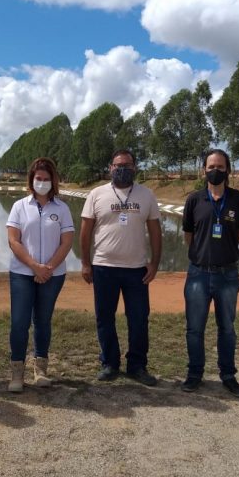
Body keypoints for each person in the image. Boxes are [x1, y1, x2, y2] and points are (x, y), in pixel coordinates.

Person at [80, 149, 162, 386]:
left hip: (137, 269)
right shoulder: (96, 194)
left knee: (138, 318)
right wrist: (86, 262)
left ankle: (137, 365)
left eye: (127, 165)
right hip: (104, 266)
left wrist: (155, 263)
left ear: (135, 167)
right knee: (105, 318)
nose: (122, 169)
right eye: (118, 165)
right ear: (110, 168)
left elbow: (156, 231)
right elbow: (86, 231)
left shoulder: (147, 195)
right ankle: (109, 362)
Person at [181, 149, 239, 398]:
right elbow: (188, 235)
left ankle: (228, 375)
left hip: (228, 275)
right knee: (194, 328)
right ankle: (194, 373)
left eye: (221, 167)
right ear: (204, 170)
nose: (215, 171)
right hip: (198, 274)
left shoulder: (238, 200)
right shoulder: (194, 200)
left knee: (227, 328)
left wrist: (224, 249)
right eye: (211, 166)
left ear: (228, 170)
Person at [6, 158, 75, 392]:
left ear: (53, 181)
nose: (42, 183)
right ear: (32, 180)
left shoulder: (62, 208)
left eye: (46, 179)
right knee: (19, 323)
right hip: (22, 273)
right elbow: (13, 240)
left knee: (43, 322)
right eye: (38, 179)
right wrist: (34, 266)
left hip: (53, 275)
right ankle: (17, 373)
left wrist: (48, 269)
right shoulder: (19, 206)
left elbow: (67, 242)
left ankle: (41, 370)